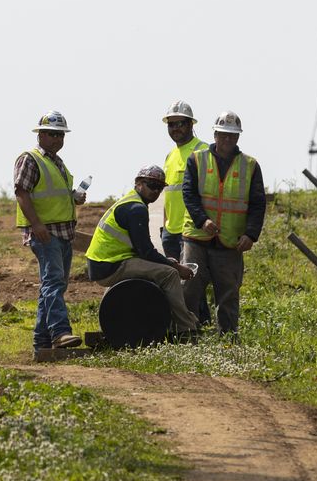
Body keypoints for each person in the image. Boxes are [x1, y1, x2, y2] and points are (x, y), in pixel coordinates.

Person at [84, 165, 200, 338]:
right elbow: (146, 252)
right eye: (151, 185)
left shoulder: (131, 201)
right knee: (169, 274)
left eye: (160, 188)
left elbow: (143, 250)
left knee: (164, 267)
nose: (155, 191)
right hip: (110, 265)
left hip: (104, 264)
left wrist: (165, 260)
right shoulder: (136, 209)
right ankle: (185, 328)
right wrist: (175, 266)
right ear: (138, 183)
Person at [181, 110, 265, 336]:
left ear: (238, 137)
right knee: (189, 287)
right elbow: (188, 194)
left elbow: (258, 204)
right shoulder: (197, 159)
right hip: (197, 237)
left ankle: (228, 337)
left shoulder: (250, 165)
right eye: (223, 134)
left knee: (228, 292)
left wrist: (251, 234)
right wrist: (202, 220)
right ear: (215, 134)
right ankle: (185, 334)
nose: (227, 140)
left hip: (231, 241)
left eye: (232, 135)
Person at [13, 110, 88, 351]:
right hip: (46, 233)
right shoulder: (31, 159)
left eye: (61, 135)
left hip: (63, 233)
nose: (57, 139)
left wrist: (73, 196)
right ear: (41, 135)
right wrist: (36, 225)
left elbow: (52, 194)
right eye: (52, 135)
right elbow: (21, 193)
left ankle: (42, 342)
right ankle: (60, 333)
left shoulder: (56, 162)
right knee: (53, 282)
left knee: (53, 285)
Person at [158, 101, 203, 264]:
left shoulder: (202, 151)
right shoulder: (170, 156)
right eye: (171, 124)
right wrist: (164, 228)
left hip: (192, 230)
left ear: (191, 124)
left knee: (191, 280)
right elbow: (168, 194)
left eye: (180, 123)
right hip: (170, 232)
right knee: (174, 280)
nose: (175, 128)